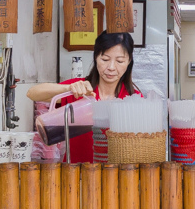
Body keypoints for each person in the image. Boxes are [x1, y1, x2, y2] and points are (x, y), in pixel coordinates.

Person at [27, 31, 142, 163]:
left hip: (116, 176)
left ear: (129, 61)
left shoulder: (134, 99)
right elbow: (32, 93)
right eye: (105, 59)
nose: (111, 67)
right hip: (76, 174)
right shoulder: (80, 90)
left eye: (120, 61)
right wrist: (68, 88)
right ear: (95, 58)